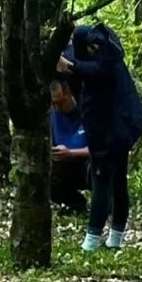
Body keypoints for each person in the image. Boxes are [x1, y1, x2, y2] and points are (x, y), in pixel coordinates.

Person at [57, 22, 142, 253]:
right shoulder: (107, 57)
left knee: (103, 181)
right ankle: (115, 237)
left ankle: (92, 239)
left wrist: (71, 67)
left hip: (109, 134)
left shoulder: (104, 66)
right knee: (117, 182)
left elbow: (89, 70)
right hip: (120, 131)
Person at [49, 76, 90, 215]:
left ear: (68, 93)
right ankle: (74, 202)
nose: (57, 107)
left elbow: (100, 148)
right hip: (62, 166)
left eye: (60, 103)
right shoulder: (52, 116)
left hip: (85, 163)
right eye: (54, 103)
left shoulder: (87, 112)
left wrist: (72, 153)